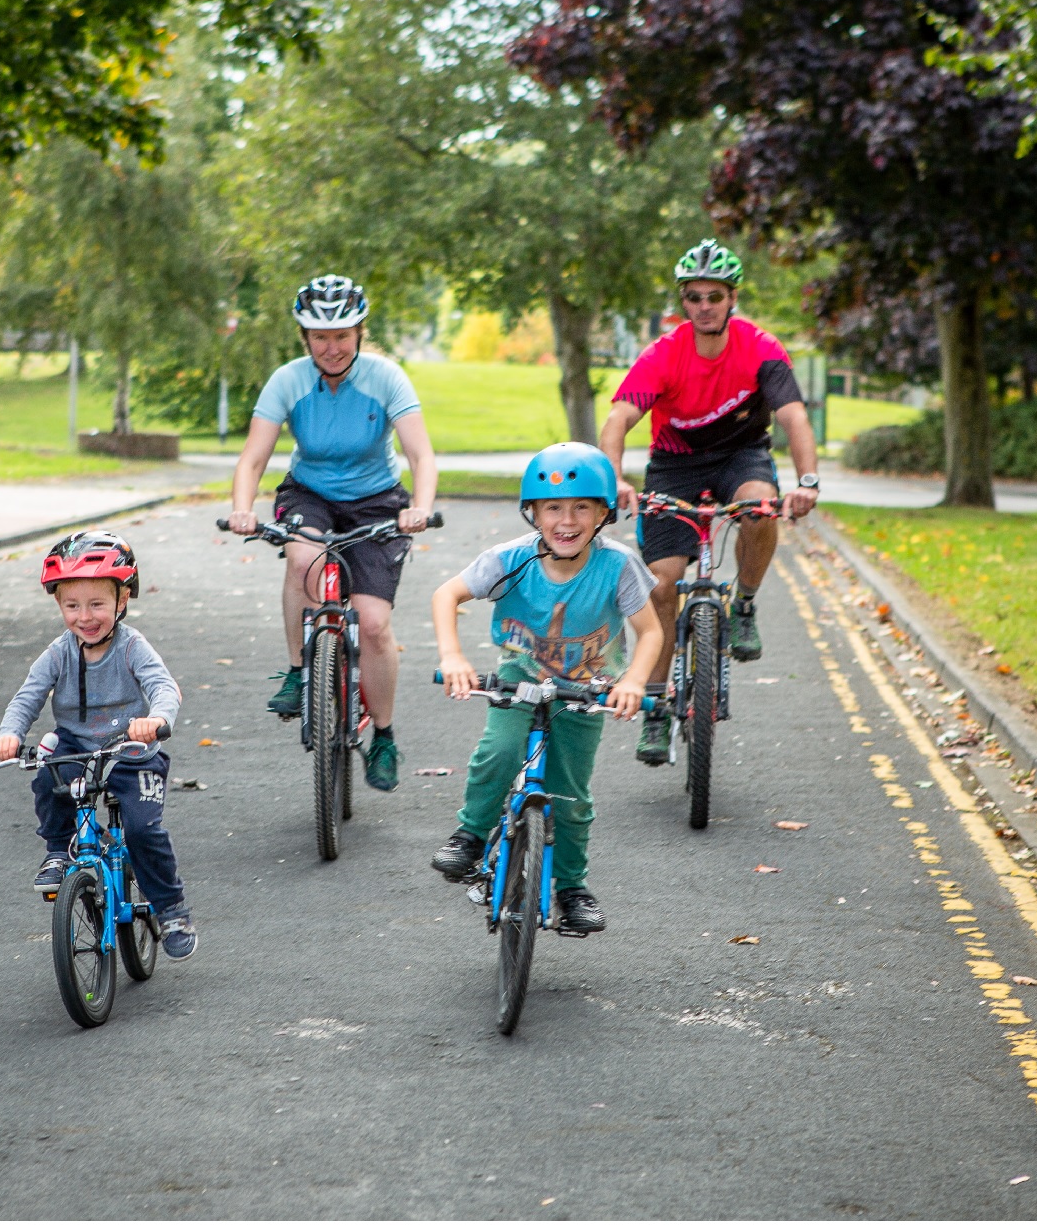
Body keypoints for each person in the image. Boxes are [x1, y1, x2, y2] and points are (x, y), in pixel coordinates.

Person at [597, 239, 821, 766]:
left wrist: (807, 481)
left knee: (760, 508)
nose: (704, 306)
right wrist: (614, 479)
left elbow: (793, 416)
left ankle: (743, 604)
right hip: (675, 465)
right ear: (684, 301)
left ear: (732, 298)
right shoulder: (663, 353)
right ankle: (655, 707)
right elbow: (618, 420)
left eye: (714, 296)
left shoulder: (761, 347)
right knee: (661, 584)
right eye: (694, 297)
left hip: (741, 456)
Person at [427, 443, 663, 935]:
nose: (567, 520)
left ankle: (572, 888)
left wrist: (634, 681)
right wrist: (452, 656)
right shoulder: (509, 559)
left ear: (604, 513)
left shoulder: (617, 565)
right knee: (498, 751)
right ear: (532, 512)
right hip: (520, 680)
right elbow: (447, 594)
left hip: (586, 691)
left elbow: (651, 631)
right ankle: (471, 835)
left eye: (582, 507)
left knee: (571, 796)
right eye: (553, 507)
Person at [226, 274, 440, 794]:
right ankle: (298, 670)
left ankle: (383, 736)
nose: (332, 347)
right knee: (303, 559)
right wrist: (241, 509)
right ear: (305, 338)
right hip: (310, 494)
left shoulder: (386, 378)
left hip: (377, 500)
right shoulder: (288, 380)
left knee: (374, 623)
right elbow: (253, 458)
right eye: (320, 337)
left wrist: (420, 507)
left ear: (360, 332)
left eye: (342, 335)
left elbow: (420, 455)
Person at [0, 531, 196, 962]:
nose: (84, 617)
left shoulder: (132, 647)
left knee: (143, 831)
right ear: (58, 605)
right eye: (72, 606)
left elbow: (163, 687)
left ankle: (172, 910)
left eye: (97, 604)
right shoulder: (58, 653)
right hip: (77, 746)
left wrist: (156, 721)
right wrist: (10, 734)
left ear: (123, 599)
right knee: (48, 777)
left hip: (132, 750)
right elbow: (28, 697)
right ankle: (58, 850)